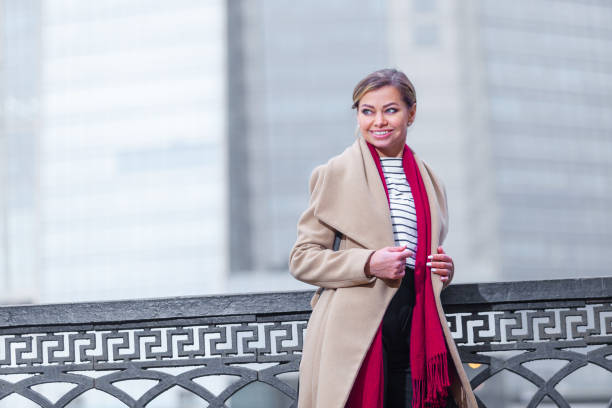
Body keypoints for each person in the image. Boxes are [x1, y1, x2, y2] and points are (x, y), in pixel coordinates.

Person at [289, 69, 477, 408]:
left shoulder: (430, 180)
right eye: (367, 111)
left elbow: (419, 252)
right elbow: (302, 257)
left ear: (411, 113)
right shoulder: (333, 173)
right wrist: (368, 262)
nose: (378, 121)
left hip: (417, 320)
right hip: (353, 332)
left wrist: (443, 271)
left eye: (390, 110)